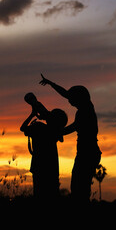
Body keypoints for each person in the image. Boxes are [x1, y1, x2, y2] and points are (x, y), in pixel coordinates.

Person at [39, 74, 102, 204]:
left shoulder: (85, 111)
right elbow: (66, 94)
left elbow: (73, 127)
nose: (69, 100)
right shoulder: (86, 107)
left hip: (87, 153)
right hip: (88, 152)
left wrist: (56, 132)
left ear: (78, 97)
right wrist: (51, 83)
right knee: (80, 187)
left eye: (72, 97)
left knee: (79, 188)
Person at [20, 92, 68, 201]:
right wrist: (45, 115)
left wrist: (33, 114)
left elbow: (23, 128)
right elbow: (59, 133)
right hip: (52, 169)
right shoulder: (56, 133)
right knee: (52, 196)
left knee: (39, 196)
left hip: (38, 167)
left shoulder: (39, 127)